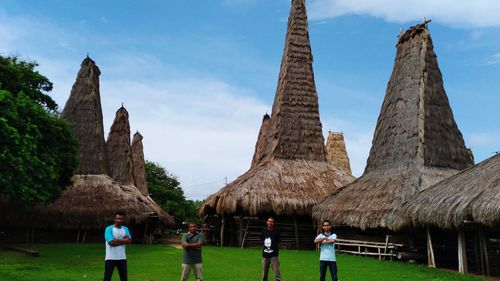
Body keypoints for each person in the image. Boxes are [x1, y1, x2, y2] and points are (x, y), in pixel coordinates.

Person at [103, 211, 132, 281]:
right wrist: (124, 241)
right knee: (107, 278)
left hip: (122, 257)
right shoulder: (109, 229)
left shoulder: (125, 229)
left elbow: (129, 241)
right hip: (110, 258)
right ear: (114, 219)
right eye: (118, 218)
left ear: (123, 219)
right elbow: (111, 243)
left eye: (121, 219)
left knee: (124, 278)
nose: (119, 220)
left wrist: (117, 240)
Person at [261, 217, 281, 281]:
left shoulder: (276, 232)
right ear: (267, 222)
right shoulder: (264, 231)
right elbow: (262, 241)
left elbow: (279, 243)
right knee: (264, 273)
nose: (270, 222)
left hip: (274, 256)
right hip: (265, 256)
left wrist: (275, 251)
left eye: (272, 221)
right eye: (269, 221)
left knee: (277, 273)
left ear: (274, 223)